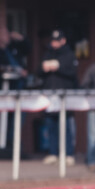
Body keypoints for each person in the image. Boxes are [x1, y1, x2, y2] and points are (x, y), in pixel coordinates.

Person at [38, 29, 77, 166]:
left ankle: (68, 154)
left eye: (57, 41)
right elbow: (38, 72)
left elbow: (73, 74)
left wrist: (58, 67)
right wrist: (44, 68)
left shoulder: (69, 54)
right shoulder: (47, 53)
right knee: (50, 125)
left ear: (63, 41)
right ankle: (53, 153)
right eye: (53, 41)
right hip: (49, 95)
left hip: (64, 96)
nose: (54, 44)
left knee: (66, 126)